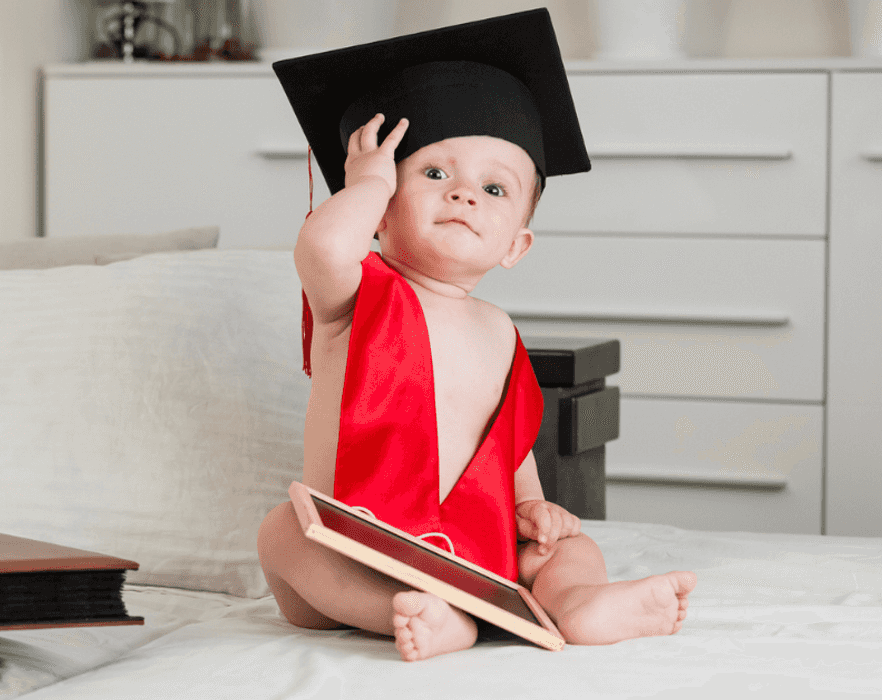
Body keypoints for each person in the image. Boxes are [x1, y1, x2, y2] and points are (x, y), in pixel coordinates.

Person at [258, 9, 696, 662]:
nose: (464, 194)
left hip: (475, 552)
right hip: (362, 542)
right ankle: (416, 616)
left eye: (494, 188)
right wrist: (369, 181)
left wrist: (533, 508)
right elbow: (321, 243)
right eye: (434, 174)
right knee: (282, 531)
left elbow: (507, 443)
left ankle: (576, 604)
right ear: (377, 214)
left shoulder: (497, 330)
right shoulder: (355, 296)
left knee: (569, 548)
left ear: (516, 245)